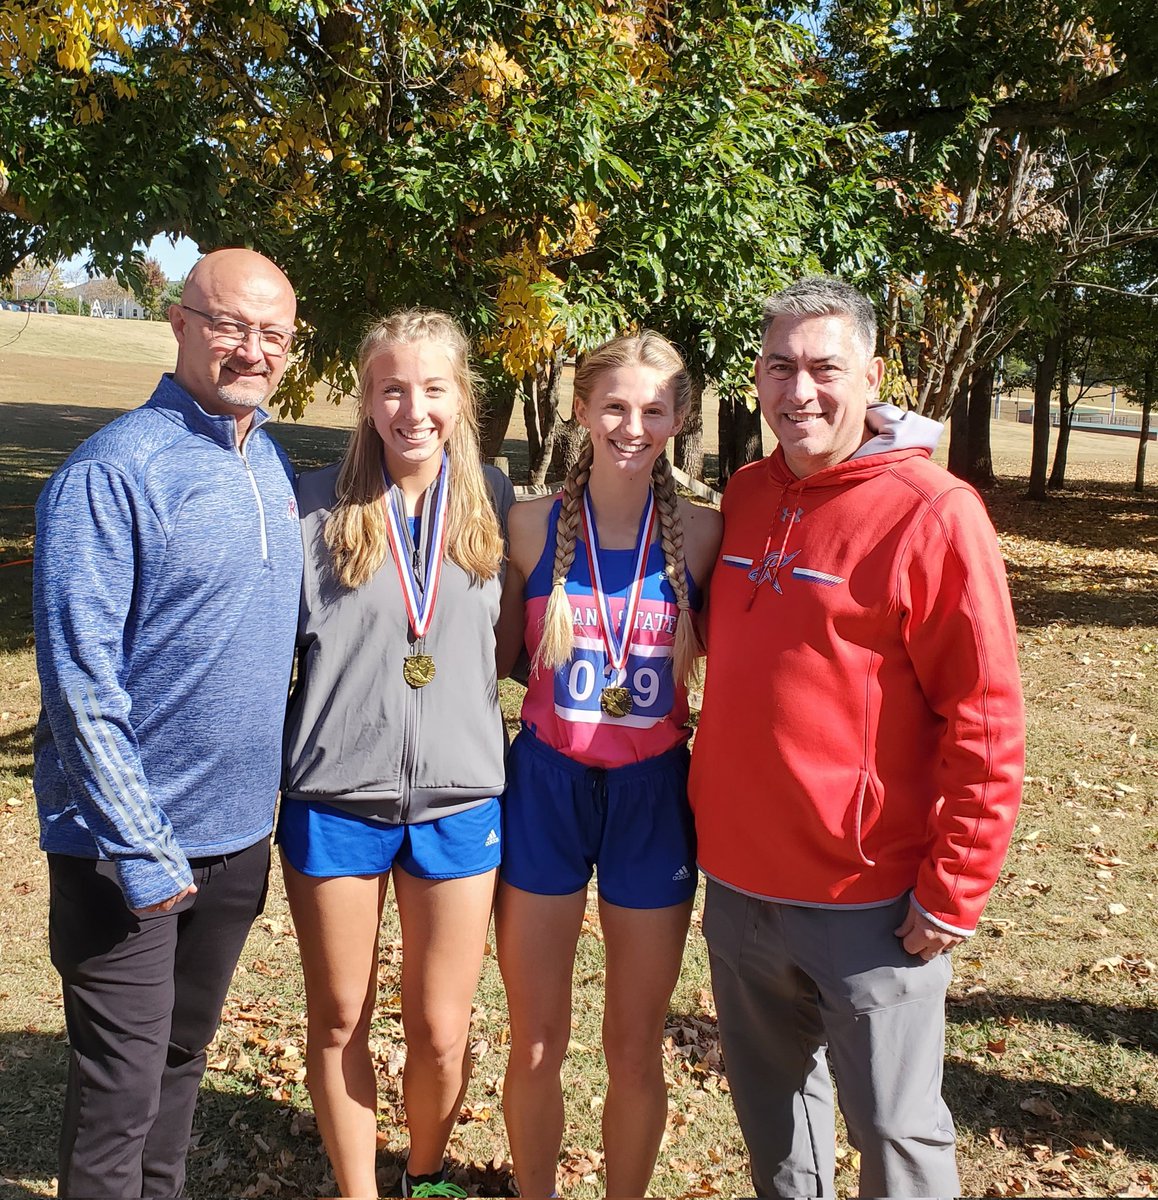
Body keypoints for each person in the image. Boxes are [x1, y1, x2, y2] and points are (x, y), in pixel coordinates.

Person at [689, 275, 1025, 1198]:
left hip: (869, 899)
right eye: (779, 367)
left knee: (894, 1134)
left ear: (872, 377)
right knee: (775, 1123)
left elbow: (986, 715)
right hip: (740, 887)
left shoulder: (933, 512)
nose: (799, 390)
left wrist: (955, 889)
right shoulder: (746, 495)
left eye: (825, 369)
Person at [32, 248, 303, 1199]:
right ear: (180, 323)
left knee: (180, 1065)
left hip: (235, 843)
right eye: (230, 325)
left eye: (273, 333)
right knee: (118, 1100)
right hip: (125, 854)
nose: (252, 349)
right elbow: (80, 687)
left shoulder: (266, 458)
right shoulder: (113, 472)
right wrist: (143, 853)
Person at [280, 309, 513, 1199]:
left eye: (433, 389)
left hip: (459, 803)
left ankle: (425, 1175)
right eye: (392, 390)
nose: (413, 410)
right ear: (366, 399)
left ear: (462, 397)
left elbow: (512, 646)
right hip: (335, 800)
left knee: (442, 1031)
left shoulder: (498, 502)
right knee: (340, 1016)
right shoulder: (310, 505)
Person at [495, 332, 722, 1198]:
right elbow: (493, 659)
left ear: (679, 419)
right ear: (581, 410)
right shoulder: (527, 526)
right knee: (536, 1040)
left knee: (633, 1047)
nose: (633, 426)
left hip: (652, 796)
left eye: (654, 409)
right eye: (615, 406)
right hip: (545, 788)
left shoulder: (705, 534)